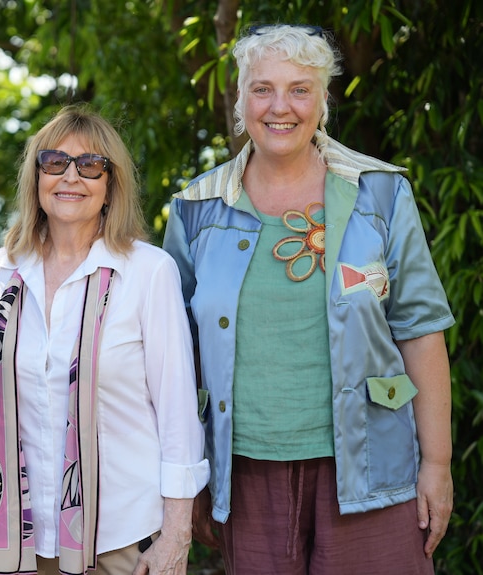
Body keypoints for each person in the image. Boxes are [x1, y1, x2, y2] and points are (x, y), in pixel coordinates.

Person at [162, 24, 455, 574]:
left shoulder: (382, 192)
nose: (281, 107)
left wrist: (436, 463)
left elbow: (420, 329)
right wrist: (186, 477)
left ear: (323, 101)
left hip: (373, 466)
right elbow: (172, 357)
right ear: (240, 100)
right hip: (245, 474)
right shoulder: (195, 208)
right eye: (263, 88)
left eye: (300, 89)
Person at [0, 104, 210, 575]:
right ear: (36, 177)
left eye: (90, 166)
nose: (71, 177)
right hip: (21, 537)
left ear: (110, 185)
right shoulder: (2, 272)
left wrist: (176, 535)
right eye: (55, 162)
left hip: (121, 539)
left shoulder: (148, 272)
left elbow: (178, 413)